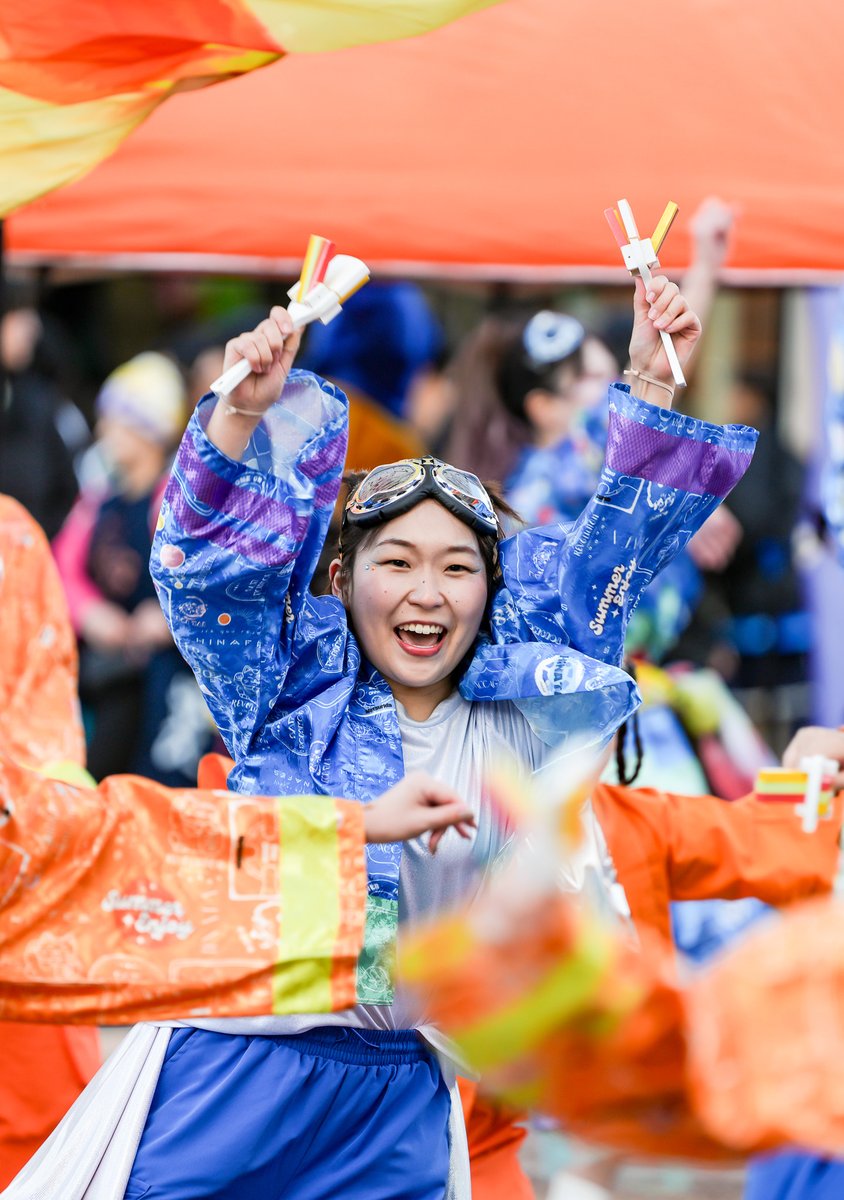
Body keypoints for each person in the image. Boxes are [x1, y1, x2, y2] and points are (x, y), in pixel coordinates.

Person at [74, 269, 750, 1200]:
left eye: (457, 569)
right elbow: (205, 575)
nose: (427, 593)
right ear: (342, 580)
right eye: (396, 562)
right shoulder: (286, 687)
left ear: (492, 591)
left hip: (402, 1097)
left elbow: (610, 560)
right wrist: (239, 414)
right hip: (239, 1071)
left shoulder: (520, 704)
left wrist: (652, 380)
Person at [52, 351, 215, 784]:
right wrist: (92, 614)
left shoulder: (178, 500)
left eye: (115, 419)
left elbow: (212, 574)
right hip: (113, 675)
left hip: (175, 676)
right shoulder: (97, 500)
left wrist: (167, 618)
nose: (103, 429)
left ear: (147, 431)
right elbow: (62, 569)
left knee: (164, 785)